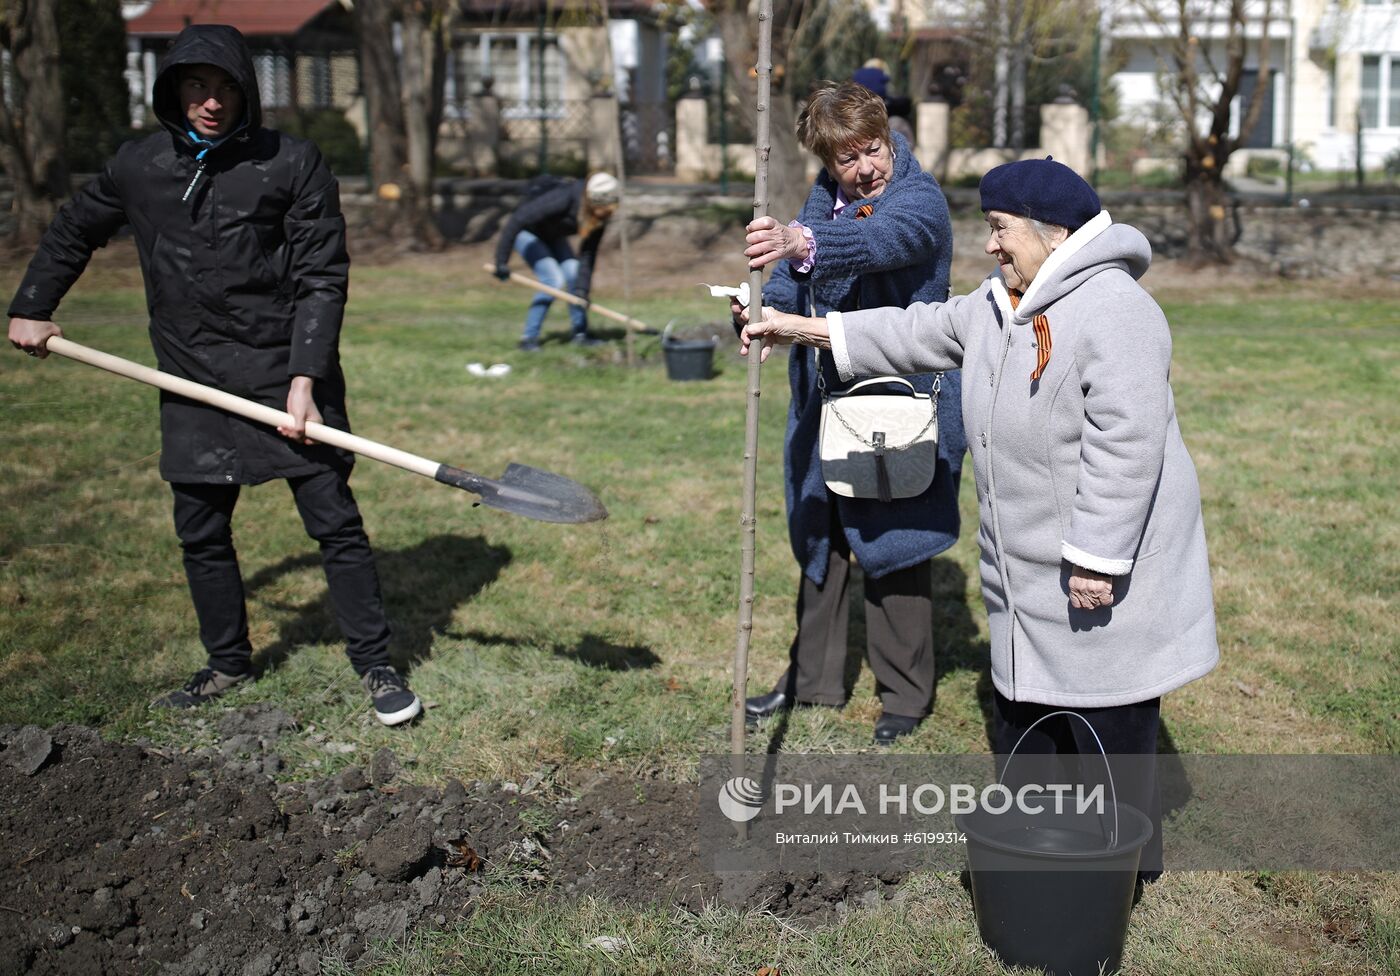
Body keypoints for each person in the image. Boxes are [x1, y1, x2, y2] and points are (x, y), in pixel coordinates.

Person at [741, 156, 1219, 873]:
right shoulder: (1001, 303)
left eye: (1000, 230)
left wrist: (1096, 558)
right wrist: (793, 327)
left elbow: (1128, 445)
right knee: (1034, 707)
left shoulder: (1114, 310)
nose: (989, 245)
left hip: (1100, 561)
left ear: (1056, 235)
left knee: (1109, 712)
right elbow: (912, 330)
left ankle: (1127, 865)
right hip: (1030, 560)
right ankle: (1044, 849)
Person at [6, 24, 422, 727]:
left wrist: (304, 381)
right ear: (172, 90)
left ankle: (375, 663)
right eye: (196, 86)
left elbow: (322, 275)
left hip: (283, 367)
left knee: (333, 521)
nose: (211, 102)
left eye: (225, 86)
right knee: (201, 529)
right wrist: (31, 306)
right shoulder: (140, 166)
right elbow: (76, 226)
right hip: (191, 372)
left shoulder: (291, 163)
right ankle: (226, 662)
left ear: (246, 91)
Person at [736, 81, 965, 745]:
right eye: (847, 160)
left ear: (888, 136)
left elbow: (877, 243)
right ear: (826, 160)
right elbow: (791, 280)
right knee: (822, 536)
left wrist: (801, 240)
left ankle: (905, 696)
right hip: (823, 398)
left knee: (895, 543)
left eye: (873, 149)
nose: (865, 168)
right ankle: (811, 678)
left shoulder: (917, 198)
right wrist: (763, 309)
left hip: (902, 405)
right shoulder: (821, 196)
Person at [492, 171, 619, 350]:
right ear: (593, 201)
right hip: (527, 232)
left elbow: (588, 254)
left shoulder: (599, 218)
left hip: (552, 235)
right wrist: (501, 261)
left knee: (574, 273)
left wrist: (582, 289)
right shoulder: (564, 197)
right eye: (603, 210)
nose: (605, 215)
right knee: (553, 280)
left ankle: (580, 334)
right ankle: (528, 339)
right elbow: (517, 219)